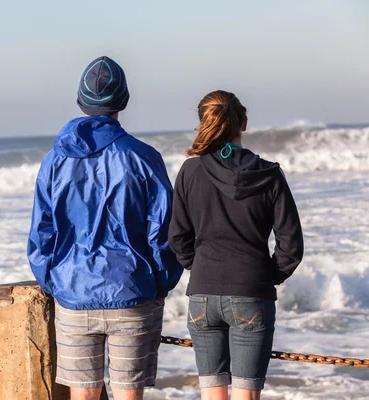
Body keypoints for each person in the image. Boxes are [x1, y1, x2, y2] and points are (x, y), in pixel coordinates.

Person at [27, 56, 183, 400]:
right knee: (129, 395)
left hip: (73, 291)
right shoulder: (143, 156)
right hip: (133, 291)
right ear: (122, 102)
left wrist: (53, 280)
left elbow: (42, 232)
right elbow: (163, 231)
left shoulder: (55, 160)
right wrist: (161, 283)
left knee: (83, 397)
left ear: (82, 101)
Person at [169, 90, 304, 400]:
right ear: (243, 123)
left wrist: (200, 266)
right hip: (250, 292)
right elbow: (291, 245)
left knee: (212, 395)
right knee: (246, 395)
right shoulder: (268, 174)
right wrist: (266, 274)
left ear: (203, 122)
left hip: (202, 293)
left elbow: (177, 237)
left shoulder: (189, 171)